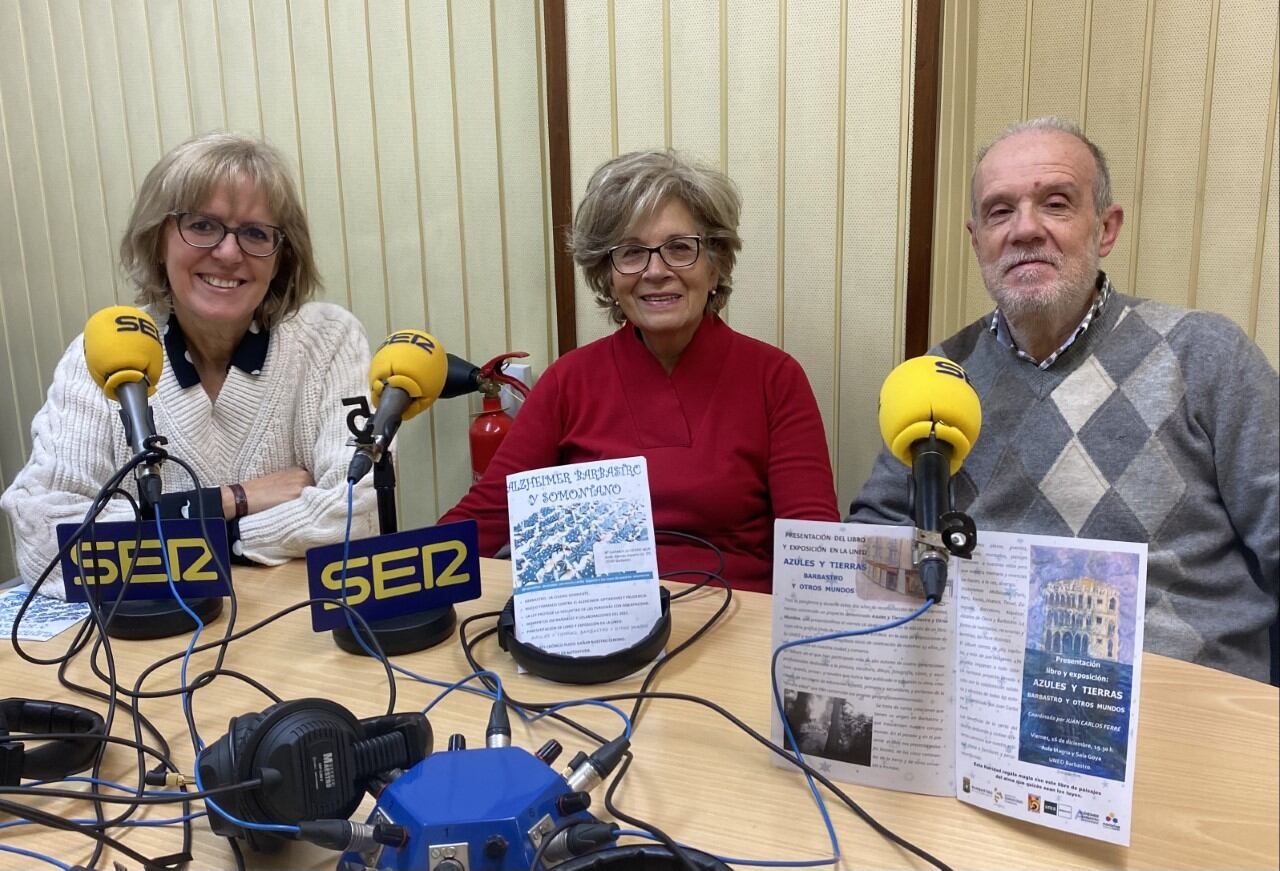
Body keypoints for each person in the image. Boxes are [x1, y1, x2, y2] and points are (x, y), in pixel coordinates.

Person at [850, 117, 1279, 682]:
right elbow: (874, 543)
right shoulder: (939, 378)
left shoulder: (1207, 355)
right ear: (977, 239)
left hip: (1182, 705)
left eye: (1055, 203)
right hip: (989, 705)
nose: (1025, 229)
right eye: (1000, 211)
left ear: (1105, 228)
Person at [441, 150, 839, 592]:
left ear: (715, 264)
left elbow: (812, 544)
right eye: (631, 253)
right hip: (598, 626)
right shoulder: (568, 381)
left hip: (737, 623)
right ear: (606, 275)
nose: (655, 271)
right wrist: (381, 582)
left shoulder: (774, 378)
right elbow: (488, 514)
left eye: (680, 249)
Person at [2, 132, 376, 597]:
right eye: (202, 225)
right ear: (157, 240)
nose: (228, 252)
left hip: (294, 636)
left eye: (256, 233)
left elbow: (359, 511)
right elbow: (45, 537)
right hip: (145, 648)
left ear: (282, 259)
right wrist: (231, 501)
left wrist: (179, 533)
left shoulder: (328, 341)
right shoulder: (102, 351)